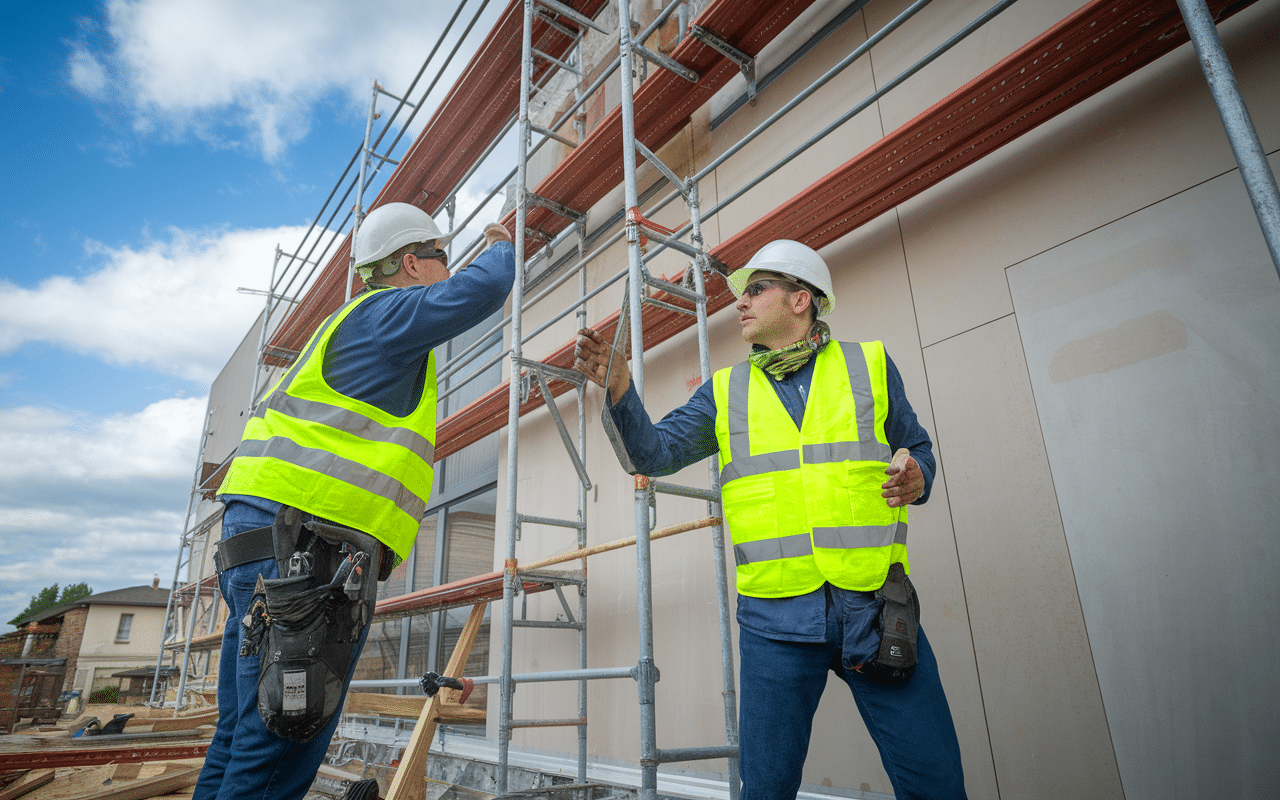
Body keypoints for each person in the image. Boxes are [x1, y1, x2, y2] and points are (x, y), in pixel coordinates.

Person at [573, 240, 966, 799]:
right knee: (766, 790)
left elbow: (918, 447)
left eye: (756, 290)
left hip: (876, 609)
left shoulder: (871, 365)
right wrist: (620, 390)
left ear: (800, 299)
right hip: (775, 622)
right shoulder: (725, 392)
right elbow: (652, 455)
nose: (741, 302)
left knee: (935, 780)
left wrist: (918, 474)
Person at [193, 202, 515, 800]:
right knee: (282, 737)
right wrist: (501, 241)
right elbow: (486, 287)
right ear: (412, 263)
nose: (448, 270)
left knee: (243, 733)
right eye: (442, 257)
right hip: (301, 551)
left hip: (263, 544)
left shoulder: (353, 325)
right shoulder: (386, 314)